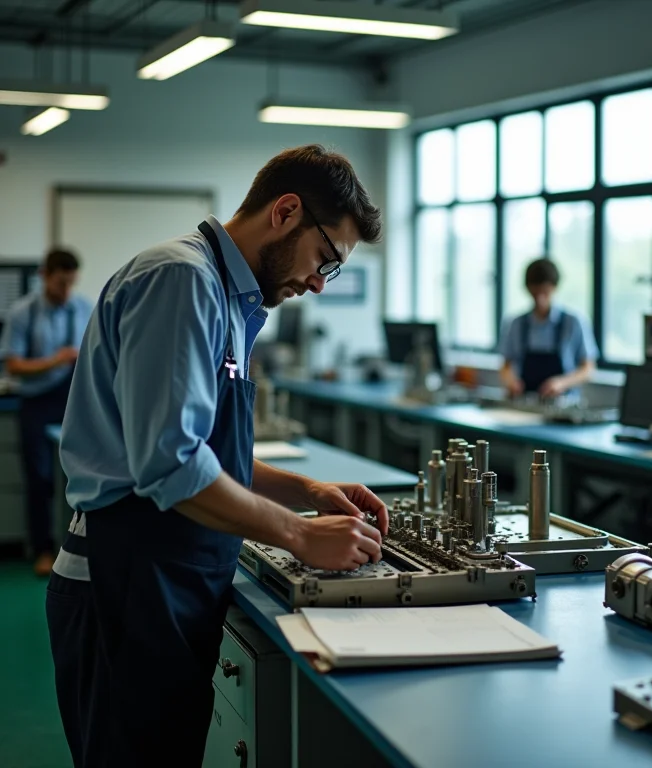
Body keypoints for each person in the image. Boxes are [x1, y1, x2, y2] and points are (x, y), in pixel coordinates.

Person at [45, 145, 389, 767]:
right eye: (327, 260)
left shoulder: (233, 301)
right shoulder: (181, 279)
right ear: (286, 211)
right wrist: (300, 537)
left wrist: (307, 493)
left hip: (167, 579)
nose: (318, 282)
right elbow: (172, 465)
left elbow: (205, 454)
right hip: (125, 582)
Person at [0, 249, 91, 576]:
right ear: (44, 275)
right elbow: (14, 364)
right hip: (37, 401)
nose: (66, 290)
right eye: (59, 283)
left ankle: (77, 549)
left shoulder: (84, 307)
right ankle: (41, 550)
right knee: (40, 478)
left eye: (71, 283)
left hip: (74, 397)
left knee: (80, 473)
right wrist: (58, 358)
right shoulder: (23, 312)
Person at [499, 257, 598, 398]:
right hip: (526, 402)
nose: (540, 299)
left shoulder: (574, 322)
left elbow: (588, 369)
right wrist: (511, 382)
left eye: (545, 292)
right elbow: (506, 366)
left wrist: (561, 383)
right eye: (535, 292)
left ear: (555, 287)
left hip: (564, 405)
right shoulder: (516, 324)